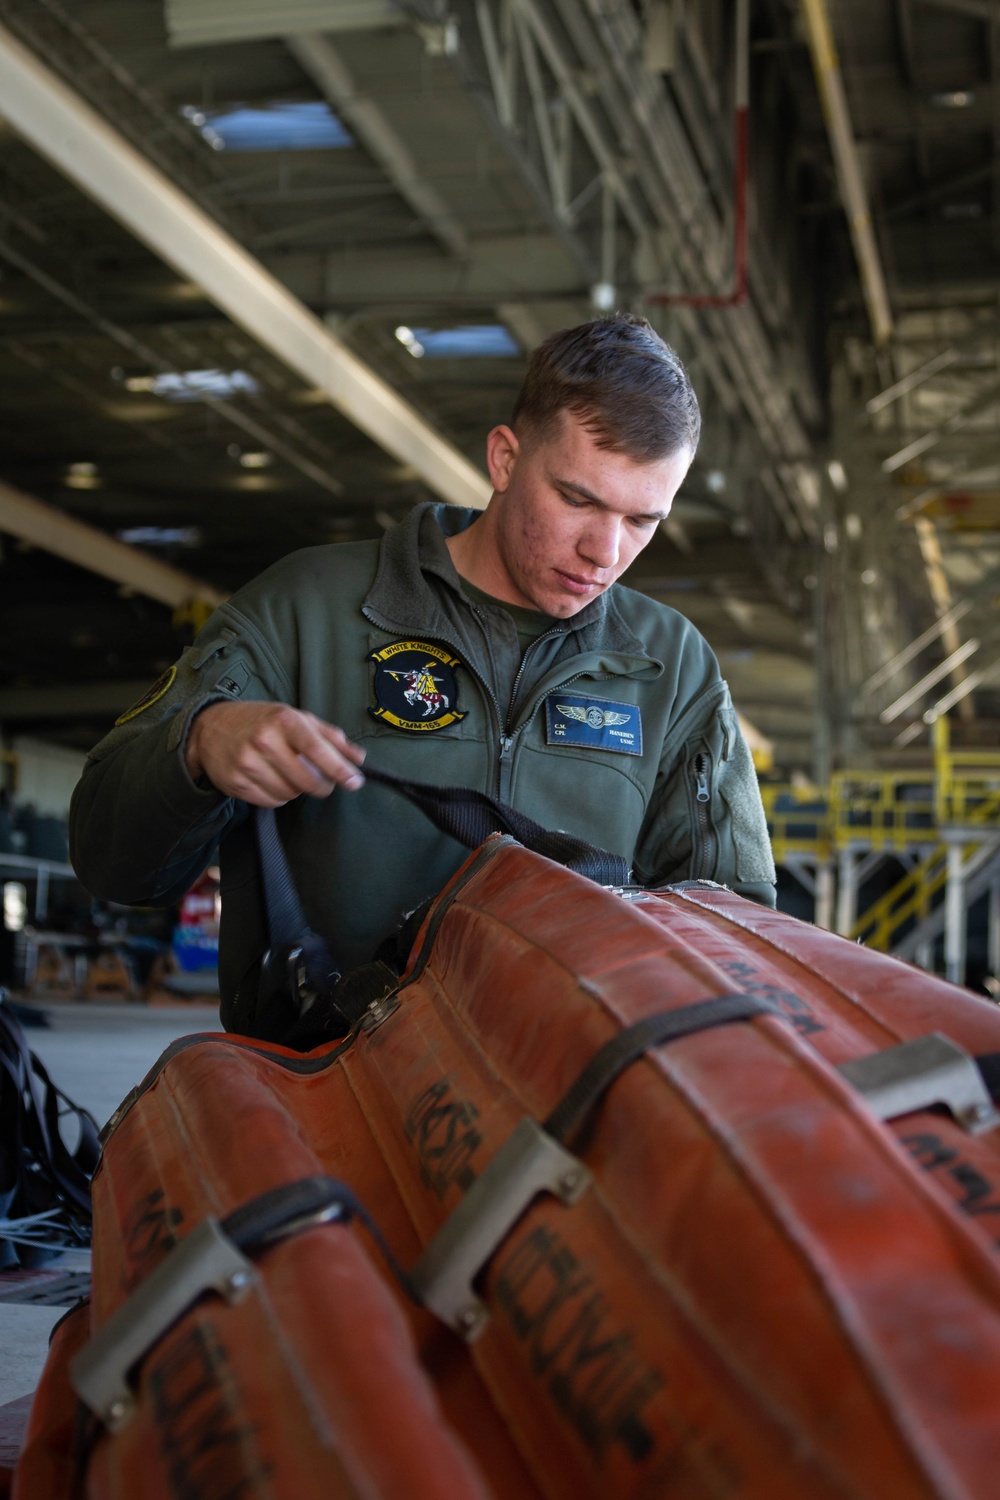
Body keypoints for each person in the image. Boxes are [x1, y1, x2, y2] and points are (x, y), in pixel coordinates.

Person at [70, 314, 775, 1039]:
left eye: (643, 521)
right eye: (578, 499)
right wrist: (197, 746)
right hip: (323, 1096)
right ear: (504, 458)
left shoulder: (671, 668)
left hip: (562, 1106)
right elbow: (110, 863)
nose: (605, 551)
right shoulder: (307, 612)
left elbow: (733, 935)